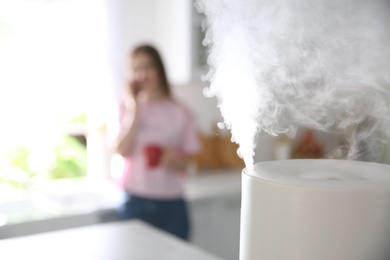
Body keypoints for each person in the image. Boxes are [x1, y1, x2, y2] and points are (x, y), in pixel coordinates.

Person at [113, 44, 200, 240]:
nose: (142, 73)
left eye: (148, 66)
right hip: (135, 201)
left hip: (172, 204)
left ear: (159, 69)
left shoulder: (181, 112)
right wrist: (134, 108)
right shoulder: (124, 108)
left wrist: (172, 161)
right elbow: (121, 150)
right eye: (136, 68)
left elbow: (190, 164)